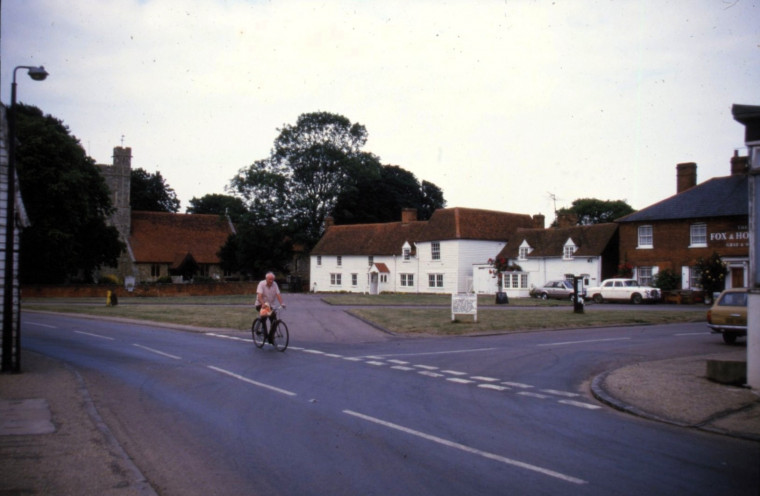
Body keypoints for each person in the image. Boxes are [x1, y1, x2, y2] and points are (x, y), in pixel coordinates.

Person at [256, 272, 285, 343]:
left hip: (271, 305)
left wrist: (282, 303)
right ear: (266, 279)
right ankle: (264, 333)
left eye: (272, 279)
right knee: (265, 317)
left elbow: (278, 294)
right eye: (270, 279)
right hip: (260, 304)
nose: (271, 281)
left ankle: (270, 337)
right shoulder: (261, 284)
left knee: (274, 320)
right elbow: (259, 296)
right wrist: (263, 304)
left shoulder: (275, 284)